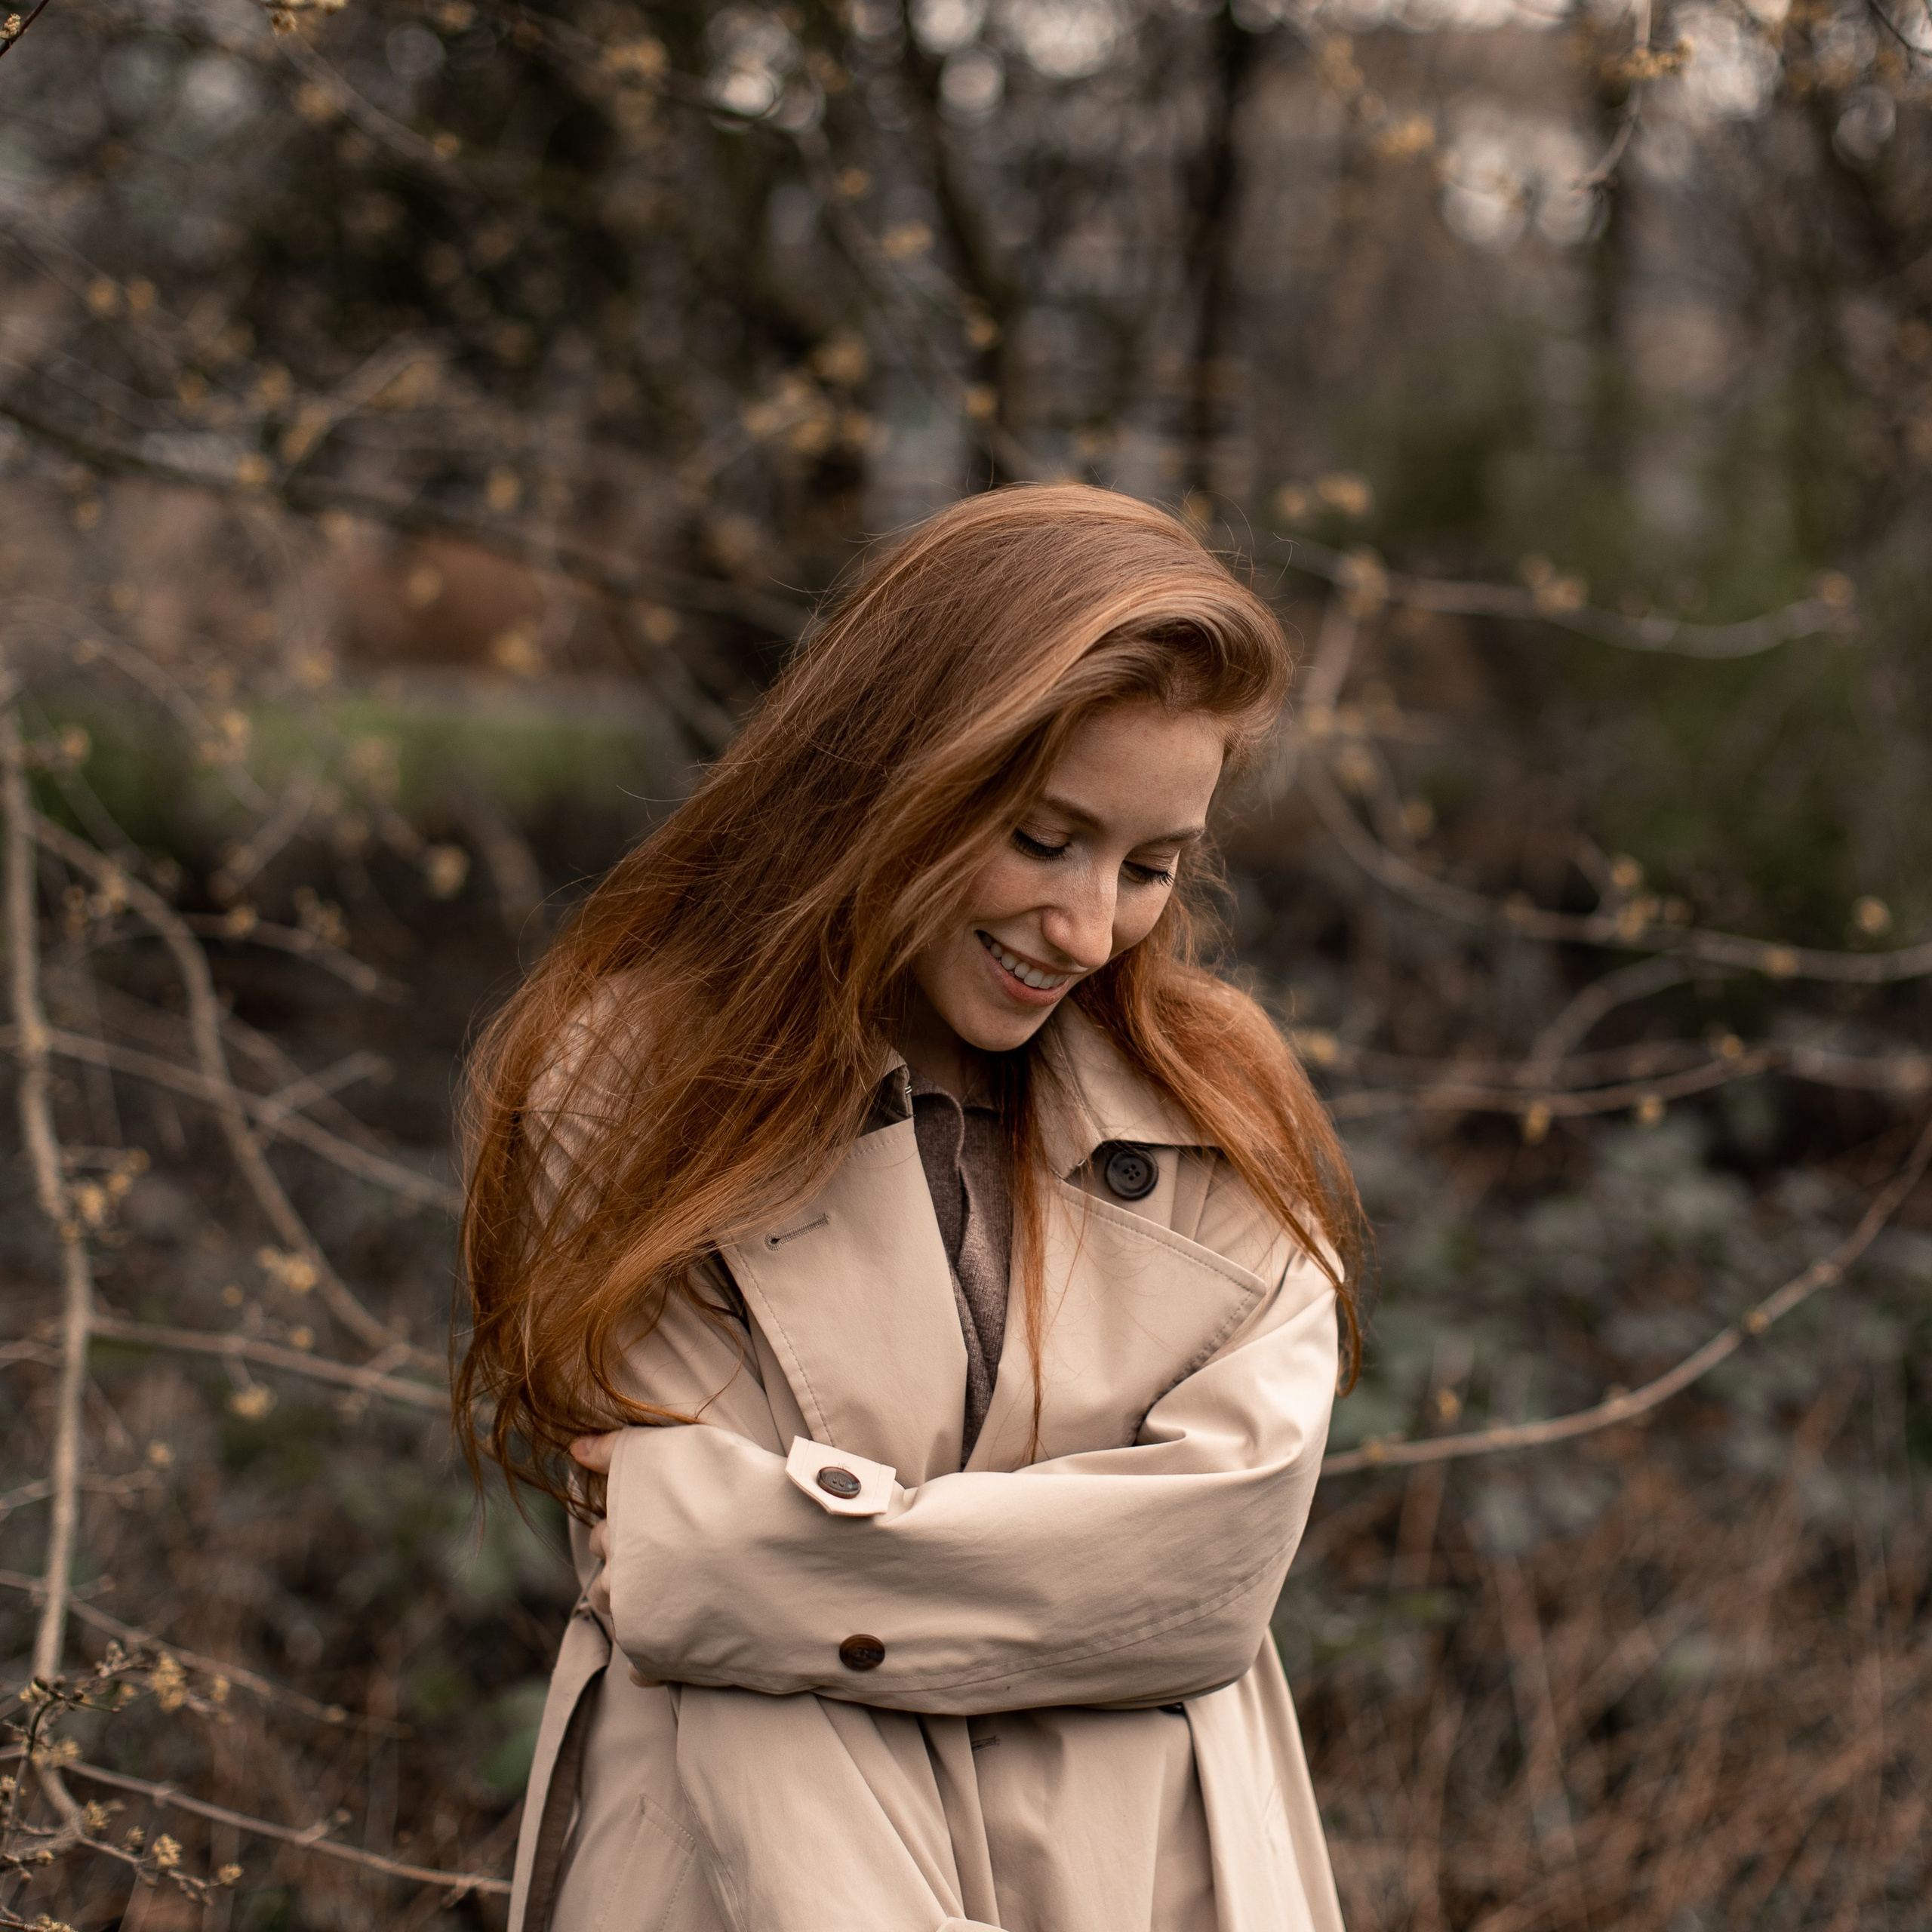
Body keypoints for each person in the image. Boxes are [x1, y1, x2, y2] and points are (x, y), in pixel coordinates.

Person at [456, 483, 1364, 1932]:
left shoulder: (1219, 1108)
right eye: (1043, 837)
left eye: (1149, 866)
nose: (1086, 929)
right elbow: (716, 1653)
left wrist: (766, 1555)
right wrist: (1043, 1572)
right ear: (897, 775)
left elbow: (1210, 1577)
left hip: (1157, 1878)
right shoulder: (639, 1089)